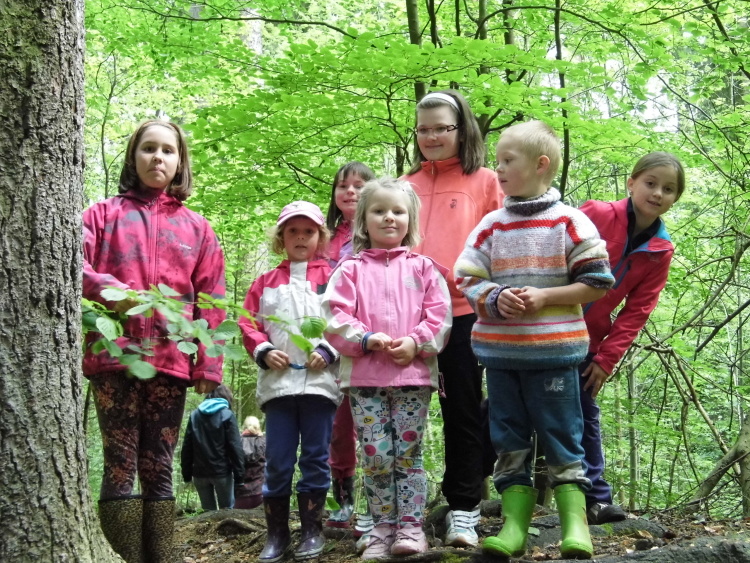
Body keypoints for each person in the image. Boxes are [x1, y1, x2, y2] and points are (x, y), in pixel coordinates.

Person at [454, 120, 615, 560]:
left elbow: (597, 281)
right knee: (508, 439)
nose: (499, 168)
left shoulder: (570, 222)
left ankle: (575, 526)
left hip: (555, 356)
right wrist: (494, 297)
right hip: (501, 358)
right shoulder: (491, 225)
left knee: (564, 436)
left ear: (541, 165)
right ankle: (514, 528)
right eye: (498, 160)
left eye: (508, 160)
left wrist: (546, 297)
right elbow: (466, 276)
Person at [83, 119, 226, 563]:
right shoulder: (102, 215)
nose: (157, 157)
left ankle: (160, 556)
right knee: (120, 462)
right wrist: (114, 292)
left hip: (171, 360)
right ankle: (125, 556)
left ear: (180, 162)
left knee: (159, 464)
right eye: (148, 148)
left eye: (168, 150)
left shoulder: (198, 229)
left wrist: (208, 364)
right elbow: (71, 265)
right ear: (134, 156)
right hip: (114, 356)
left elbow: (213, 300)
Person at [322, 178, 453, 559]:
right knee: (376, 455)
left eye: (398, 211)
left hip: (413, 378)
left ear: (411, 220)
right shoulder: (349, 270)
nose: (389, 218)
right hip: (365, 380)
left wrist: (416, 342)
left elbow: (440, 316)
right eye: (379, 211)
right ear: (363, 221)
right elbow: (333, 315)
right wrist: (364, 338)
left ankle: (410, 527)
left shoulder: (424, 268)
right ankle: (380, 528)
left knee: (408, 455)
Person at [401, 89, 503, 548]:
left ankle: (464, 510)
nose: (432, 137)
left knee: (463, 412)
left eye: (441, 128)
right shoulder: (404, 185)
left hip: (464, 315)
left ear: (462, 130)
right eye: (423, 129)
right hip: (406, 320)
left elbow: (501, 243)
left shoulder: (484, 181)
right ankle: (398, 514)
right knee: (398, 416)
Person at [578, 152, 685, 524]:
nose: (657, 193)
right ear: (632, 182)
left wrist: (606, 359)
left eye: (668, 189)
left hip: (588, 342)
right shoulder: (597, 214)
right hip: (545, 325)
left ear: (675, 198)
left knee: (584, 413)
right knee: (514, 409)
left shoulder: (660, 251)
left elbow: (637, 310)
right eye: (651, 183)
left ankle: (596, 500)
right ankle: (470, 489)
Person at [239, 200, 340, 562]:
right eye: (292, 231)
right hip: (278, 386)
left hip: (320, 385)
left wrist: (328, 349)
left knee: (315, 457)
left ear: (320, 237)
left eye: (308, 231)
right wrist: (264, 350)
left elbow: (346, 319)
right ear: (280, 238)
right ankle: (277, 534)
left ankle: (312, 531)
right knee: (278, 459)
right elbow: (248, 323)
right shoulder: (265, 282)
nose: (300, 238)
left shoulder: (335, 278)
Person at [324, 161, 376, 529]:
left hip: (375, 342)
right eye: (343, 186)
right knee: (338, 426)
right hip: (331, 343)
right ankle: (342, 502)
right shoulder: (323, 237)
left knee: (375, 422)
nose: (350, 192)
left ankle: (379, 505)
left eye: (359, 185)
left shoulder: (381, 232)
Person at [180, 385, 245, 511]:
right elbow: (235, 447)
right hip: (222, 473)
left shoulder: (195, 415)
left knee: (208, 514)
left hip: (199, 474)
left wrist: (186, 474)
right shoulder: (227, 415)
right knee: (227, 512)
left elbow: (187, 447)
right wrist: (240, 477)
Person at [234, 415, 267, 510]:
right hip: (261, 492)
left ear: (244, 426)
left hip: (240, 493)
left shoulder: (237, 442)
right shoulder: (264, 442)